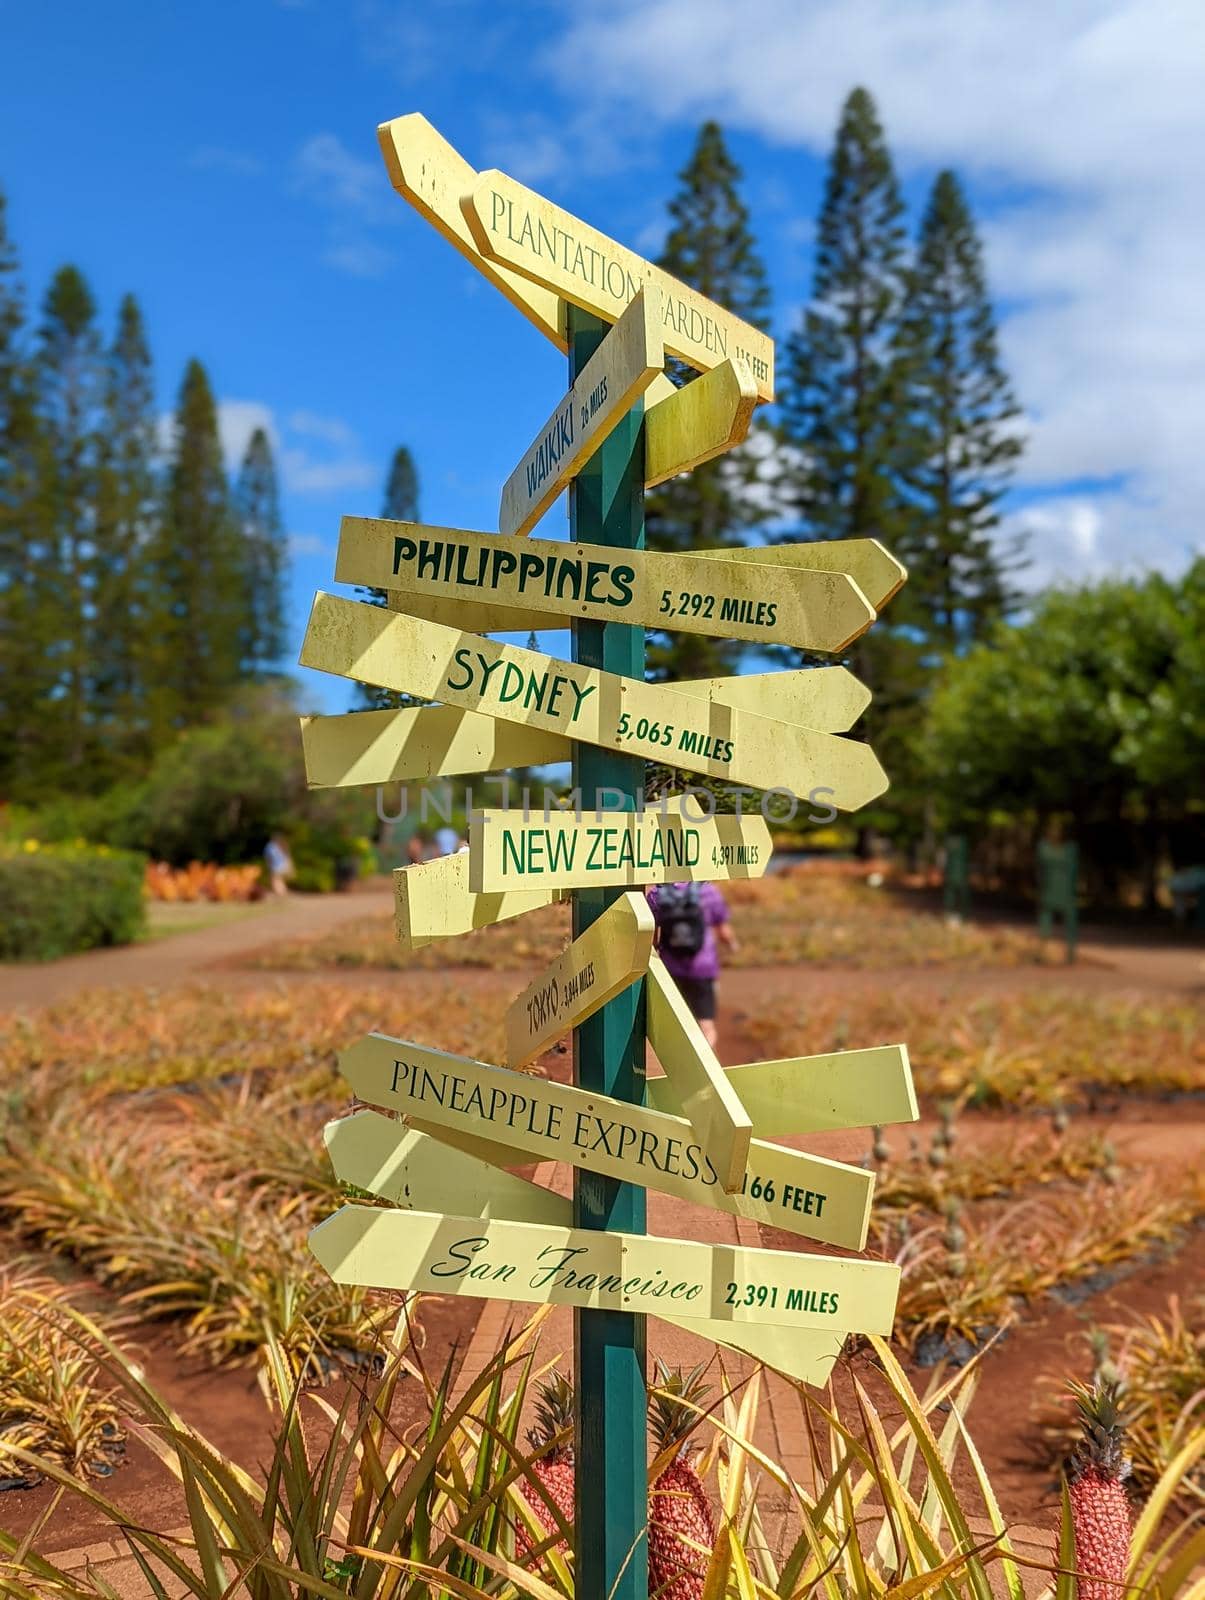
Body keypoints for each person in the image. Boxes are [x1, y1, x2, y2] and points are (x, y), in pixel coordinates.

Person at [646, 881, 737, 1049]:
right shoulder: (708, 891)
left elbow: (650, 936)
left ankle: (681, 1064)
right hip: (703, 969)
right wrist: (733, 946)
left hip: (671, 970)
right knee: (706, 1025)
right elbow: (724, 931)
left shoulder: (657, 895)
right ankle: (707, 1064)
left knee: (676, 1024)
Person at [263, 833, 294, 897]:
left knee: (275, 880)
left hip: (276, 866)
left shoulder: (270, 846)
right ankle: (283, 893)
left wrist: (269, 866)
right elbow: (288, 856)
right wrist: (290, 867)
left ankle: (280, 894)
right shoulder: (282, 845)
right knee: (280, 880)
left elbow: (269, 857)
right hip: (285, 865)